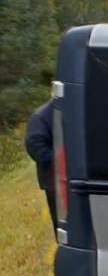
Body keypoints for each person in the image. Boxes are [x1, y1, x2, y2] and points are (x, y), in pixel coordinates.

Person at [24, 97, 57, 227]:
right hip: (54, 181)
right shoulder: (41, 117)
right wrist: (58, 159)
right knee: (63, 223)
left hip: (77, 176)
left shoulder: (73, 110)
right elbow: (34, 144)